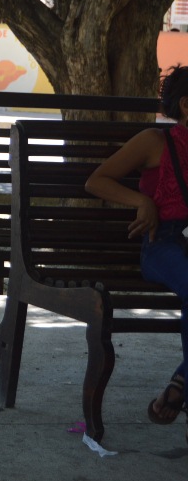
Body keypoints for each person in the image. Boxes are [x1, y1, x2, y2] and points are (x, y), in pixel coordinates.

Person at [85, 65, 188, 442]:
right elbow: (96, 180)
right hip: (164, 243)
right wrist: (142, 201)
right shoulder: (154, 141)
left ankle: (181, 381)